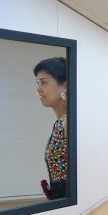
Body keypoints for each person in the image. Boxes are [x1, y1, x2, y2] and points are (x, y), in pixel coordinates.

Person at [34, 57, 68, 200]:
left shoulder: (68, 122)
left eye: (44, 82)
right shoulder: (61, 122)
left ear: (64, 86)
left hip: (68, 198)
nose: (38, 89)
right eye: (37, 83)